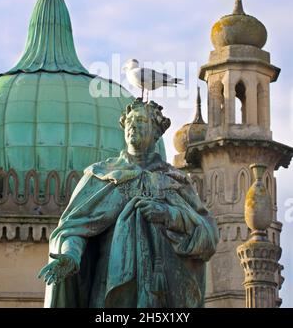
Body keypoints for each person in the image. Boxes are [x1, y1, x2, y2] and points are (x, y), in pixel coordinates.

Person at [39, 99, 218, 308]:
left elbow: (208, 236)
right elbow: (73, 228)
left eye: (141, 120)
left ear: (157, 133)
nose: (133, 125)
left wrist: (169, 215)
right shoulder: (101, 175)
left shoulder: (176, 181)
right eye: (130, 121)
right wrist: (70, 254)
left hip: (163, 292)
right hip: (109, 290)